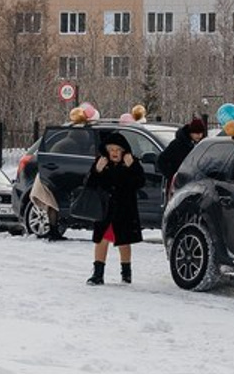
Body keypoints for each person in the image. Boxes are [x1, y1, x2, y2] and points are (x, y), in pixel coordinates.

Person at [84, 131, 145, 286]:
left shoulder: (131, 162)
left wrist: (132, 166)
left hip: (124, 209)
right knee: (102, 240)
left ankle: (126, 273)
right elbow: (89, 185)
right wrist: (96, 170)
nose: (115, 153)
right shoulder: (101, 163)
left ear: (124, 151)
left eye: (118, 150)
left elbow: (140, 182)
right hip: (105, 209)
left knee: (123, 242)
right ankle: (98, 274)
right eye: (112, 150)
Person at [156, 116, 207, 196]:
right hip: (178, 185)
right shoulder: (177, 144)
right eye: (197, 133)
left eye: (201, 133)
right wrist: (173, 176)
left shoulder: (202, 145)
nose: (199, 136)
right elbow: (161, 161)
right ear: (190, 132)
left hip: (195, 184)